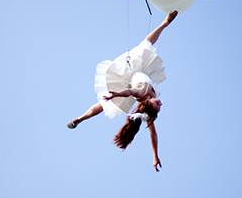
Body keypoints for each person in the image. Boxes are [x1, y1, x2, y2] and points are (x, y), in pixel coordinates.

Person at [67, 10, 178, 172]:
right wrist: (155, 156)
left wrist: (118, 94)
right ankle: (81, 118)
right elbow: (153, 134)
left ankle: (165, 23)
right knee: (104, 104)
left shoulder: (142, 91)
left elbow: (131, 92)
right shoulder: (146, 105)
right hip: (140, 75)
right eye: (159, 105)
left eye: (157, 104)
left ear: (148, 101)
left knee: (146, 44)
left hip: (131, 72)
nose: (160, 102)